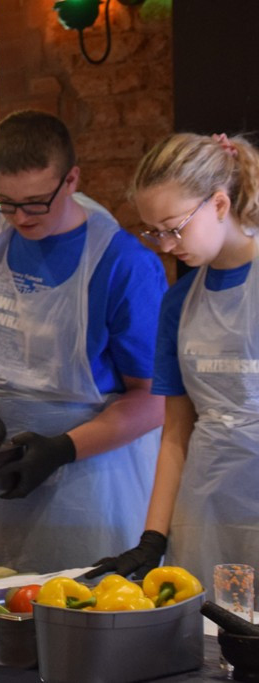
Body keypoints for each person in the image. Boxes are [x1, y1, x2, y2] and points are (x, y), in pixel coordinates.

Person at [0, 110, 168, 573]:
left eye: (36, 202)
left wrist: (63, 448)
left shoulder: (123, 263)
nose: (20, 217)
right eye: (6, 201)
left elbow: (153, 399)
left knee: (78, 616)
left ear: (72, 179)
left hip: (87, 476)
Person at [87, 133, 259, 588]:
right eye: (153, 231)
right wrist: (153, 536)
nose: (164, 245)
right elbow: (176, 432)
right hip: (205, 510)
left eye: (173, 227)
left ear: (219, 204)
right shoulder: (179, 302)